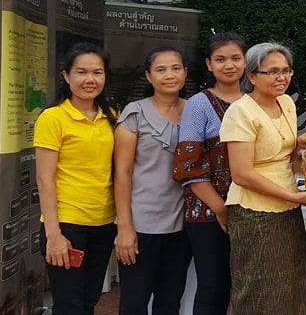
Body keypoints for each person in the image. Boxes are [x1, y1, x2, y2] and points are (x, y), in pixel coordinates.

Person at [220, 42, 306, 314]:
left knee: (291, 286)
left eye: (286, 71)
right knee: (257, 290)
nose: (281, 78)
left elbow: (279, 150)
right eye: (273, 72)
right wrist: (293, 196)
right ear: (252, 76)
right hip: (254, 211)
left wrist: (299, 143)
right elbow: (241, 174)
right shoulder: (239, 111)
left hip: (288, 206)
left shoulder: (286, 103)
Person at [34, 42, 118, 315]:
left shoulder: (111, 117)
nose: (90, 79)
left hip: (103, 223)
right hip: (67, 225)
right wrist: (53, 235)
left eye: (97, 72)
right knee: (68, 305)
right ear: (66, 76)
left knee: (89, 301)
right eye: (81, 72)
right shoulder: (53, 118)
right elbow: (44, 179)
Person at [172, 32, 246, 315]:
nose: (229, 65)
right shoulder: (199, 104)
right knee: (213, 286)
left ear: (245, 62)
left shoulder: (253, 102)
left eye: (236, 58)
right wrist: (220, 208)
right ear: (209, 64)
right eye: (221, 59)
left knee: (241, 285)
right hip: (207, 211)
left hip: (248, 208)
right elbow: (188, 166)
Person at [114, 47, 192, 315]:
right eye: (161, 69)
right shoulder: (134, 113)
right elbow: (122, 173)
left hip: (181, 225)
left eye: (176, 68)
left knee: (170, 302)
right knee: (134, 303)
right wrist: (125, 228)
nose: (169, 75)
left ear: (185, 73)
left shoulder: (195, 112)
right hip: (141, 224)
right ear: (148, 76)